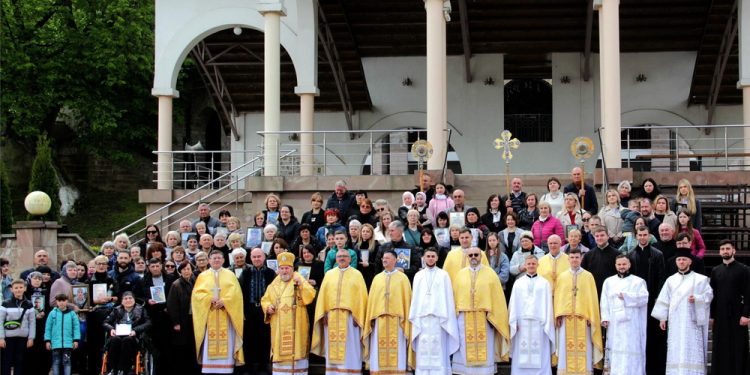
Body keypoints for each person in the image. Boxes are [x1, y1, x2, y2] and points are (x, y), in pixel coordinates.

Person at [651, 251, 713, 375]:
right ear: (676, 262)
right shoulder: (671, 280)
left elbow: (709, 295)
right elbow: (664, 299)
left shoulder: (700, 279)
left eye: (684, 260)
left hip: (692, 322)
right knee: (676, 348)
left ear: (690, 261)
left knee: (692, 349)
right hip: (676, 322)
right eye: (679, 260)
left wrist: (697, 298)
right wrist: (663, 318)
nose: (681, 262)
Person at [451, 247, 510, 374]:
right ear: (467, 257)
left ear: (481, 256)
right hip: (464, 317)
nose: (473, 257)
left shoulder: (490, 274)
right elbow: (455, 296)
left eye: (476, 255)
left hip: (485, 317)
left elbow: (497, 297)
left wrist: (493, 314)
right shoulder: (460, 274)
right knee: (464, 345)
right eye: (471, 255)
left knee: (486, 346)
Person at [310, 248, 368, 374]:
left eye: (345, 256)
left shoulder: (357, 274)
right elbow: (323, 296)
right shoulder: (329, 274)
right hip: (331, 318)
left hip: (350, 319)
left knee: (351, 348)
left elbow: (362, 297)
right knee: (332, 348)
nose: (342, 258)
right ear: (335, 259)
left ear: (350, 259)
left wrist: (358, 316)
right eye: (339, 256)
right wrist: (323, 313)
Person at [261, 252, 316, 374]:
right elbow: (265, 299)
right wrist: (268, 307)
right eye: (282, 268)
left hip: (297, 324)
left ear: (292, 268)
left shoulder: (298, 279)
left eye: (287, 268)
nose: (284, 271)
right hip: (278, 327)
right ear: (278, 269)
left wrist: (301, 285)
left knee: (297, 353)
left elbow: (310, 296)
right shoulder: (274, 284)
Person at [409, 247, 459, 374]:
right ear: (424, 258)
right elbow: (415, 298)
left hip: (439, 319)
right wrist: (415, 315)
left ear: (437, 258)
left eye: (433, 256)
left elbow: (448, 297)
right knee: (423, 349)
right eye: (428, 256)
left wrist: (447, 316)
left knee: (439, 349)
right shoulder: (418, 275)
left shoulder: (443, 275)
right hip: (422, 318)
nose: (430, 259)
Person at [192, 250, 244, 373]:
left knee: (227, 342)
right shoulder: (202, 276)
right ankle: (209, 369)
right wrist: (209, 299)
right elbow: (196, 296)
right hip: (209, 315)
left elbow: (237, 295)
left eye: (219, 258)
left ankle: (226, 369)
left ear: (223, 260)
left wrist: (225, 301)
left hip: (226, 316)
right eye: (214, 258)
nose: (216, 260)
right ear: (209, 260)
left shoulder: (230, 275)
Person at [554, 248, 603, 374]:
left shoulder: (588, 276)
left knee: (585, 347)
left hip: (584, 319)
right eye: (572, 257)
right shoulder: (562, 276)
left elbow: (592, 298)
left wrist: (591, 317)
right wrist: (558, 315)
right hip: (566, 318)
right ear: (568, 259)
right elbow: (559, 298)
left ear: (581, 259)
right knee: (565, 347)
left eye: (577, 257)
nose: (574, 260)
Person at [363, 250, 413, 373]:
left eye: (388, 258)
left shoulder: (403, 278)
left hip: (398, 321)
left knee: (398, 350)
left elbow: (407, 300)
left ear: (395, 260)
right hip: (379, 320)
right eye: (383, 258)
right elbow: (372, 302)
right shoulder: (377, 278)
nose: (384, 260)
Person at [627, 225, 667, 375]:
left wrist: (658, 298)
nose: (642, 237)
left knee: (653, 335)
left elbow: (662, 278)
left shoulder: (657, 255)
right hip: (637, 302)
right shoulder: (631, 255)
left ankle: (654, 369)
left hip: (652, 301)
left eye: (645, 235)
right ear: (636, 236)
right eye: (640, 235)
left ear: (649, 236)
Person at [600, 255, 648, 375]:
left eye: (624, 264)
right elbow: (604, 301)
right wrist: (605, 317)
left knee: (631, 349)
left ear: (629, 265)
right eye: (619, 264)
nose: (622, 267)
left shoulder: (638, 281)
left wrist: (626, 296)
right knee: (615, 349)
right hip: (615, 324)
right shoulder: (608, 282)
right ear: (615, 265)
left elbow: (644, 298)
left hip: (632, 324)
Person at [708, 239, 750, 375]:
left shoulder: (744, 269)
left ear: (733, 251)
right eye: (722, 249)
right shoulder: (715, 270)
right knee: (720, 346)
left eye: (728, 248)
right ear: (720, 252)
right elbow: (712, 295)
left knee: (738, 346)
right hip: (720, 315)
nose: (725, 251)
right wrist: (712, 316)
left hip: (738, 314)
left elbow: (749, 293)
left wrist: (746, 315)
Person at [508, 255, 555, 375]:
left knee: (541, 350)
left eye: (533, 264)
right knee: (521, 350)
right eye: (528, 264)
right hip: (521, 323)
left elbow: (548, 304)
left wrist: (547, 322)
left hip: (539, 322)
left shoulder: (544, 283)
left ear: (537, 265)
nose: (531, 266)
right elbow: (514, 303)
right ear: (525, 265)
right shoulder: (518, 283)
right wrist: (514, 321)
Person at [238, 248, 276, 374]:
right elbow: (240, 292)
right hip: (249, 309)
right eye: (254, 257)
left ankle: (263, 365)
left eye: (259, 256)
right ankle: (248, 366)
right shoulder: (245, 273)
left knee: (264, 338)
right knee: (249, 338)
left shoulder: (271, 273)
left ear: (264, 257)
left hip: (265, 310)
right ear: (250, 258)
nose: (256, 259)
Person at [103, 291, 152, 375]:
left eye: (130, 298)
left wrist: (135, 330)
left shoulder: (141, 309)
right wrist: (111, 329)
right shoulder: (116, 310)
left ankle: (122, 369)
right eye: (125, 298)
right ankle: (113, 368)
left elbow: (148, 323)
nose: (128, 300)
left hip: (133, 337)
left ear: (134, 300)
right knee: (115, 340)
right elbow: (105, 322)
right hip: (118, 335)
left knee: (127, 340)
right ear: (122, 301)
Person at [142, 258, 175, 375]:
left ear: (161, 266)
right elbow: (138, 296)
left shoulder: (170, 278)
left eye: (157, 266)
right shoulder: (144, 280)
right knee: (156, 347)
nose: (155, 268)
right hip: (153, 317)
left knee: (168, 347)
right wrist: (147, 301)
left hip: (167, 316)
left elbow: (174, 294)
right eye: (152, 266)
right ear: (149, 268)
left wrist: (169, 306)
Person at [167, 261, 200, 375]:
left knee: (192, 345)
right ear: (180, 271)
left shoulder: (194, 281)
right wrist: (176, 322)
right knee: (182, 346)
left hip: (192, 318)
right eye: (184, 269)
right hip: (181, 319)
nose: (187, 271)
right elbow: (172, 305)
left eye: (189, 269)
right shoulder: (176, 284)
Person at [0, 279, 35, 375]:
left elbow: (32, 322)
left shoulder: (29, 304)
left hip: (23, 338)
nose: (18, 290)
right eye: (16, 288)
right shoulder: (5, 303)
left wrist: (31, 338)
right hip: (8, 338)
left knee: (20, 361)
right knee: (6, 361)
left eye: (20, 287)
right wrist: (1, 338)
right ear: (11, 289)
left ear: (25, 288)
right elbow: (0, 321)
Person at [45, 293, 80, 375]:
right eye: (59, 300)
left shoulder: (72, 314)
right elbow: (48, 328)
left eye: (63, 300)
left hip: (68, 343)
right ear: (56, 302)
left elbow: (76, 327)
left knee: (67, 362)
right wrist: (47, 340)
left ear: (66, 301)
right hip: (55, 343)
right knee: (56, 362)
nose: (61, 302)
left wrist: (76, 340)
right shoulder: (52, 314)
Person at [581, 226, 619, 298]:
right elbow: (583, 274)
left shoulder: (617, 254)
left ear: (608, 236)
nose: (599, 238)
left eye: (602, 235)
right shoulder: (588, 255)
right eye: (597, 236)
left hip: (612, 292)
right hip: (593, 292)